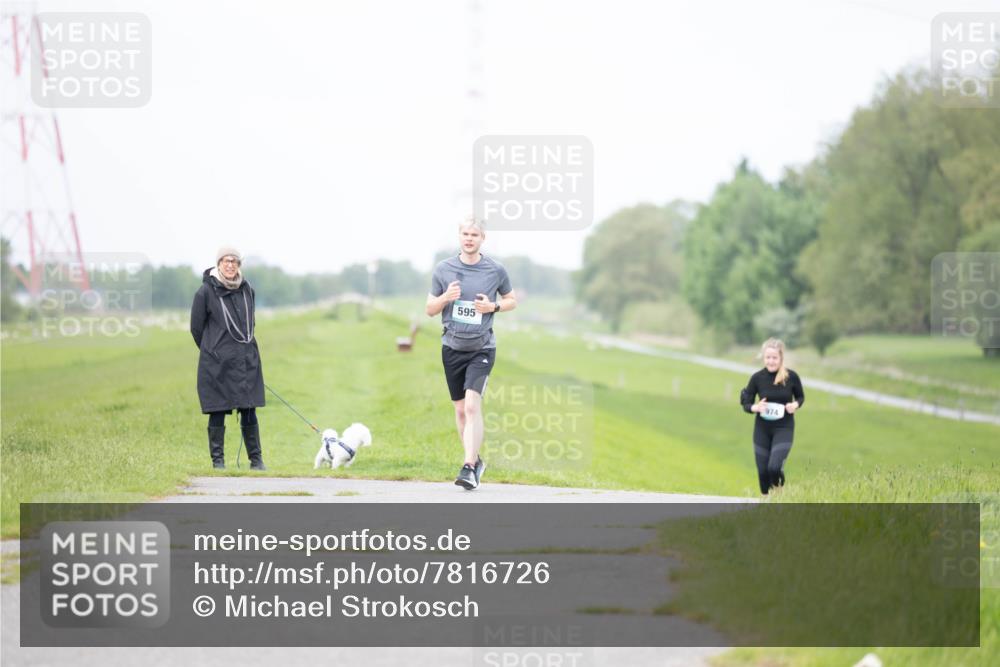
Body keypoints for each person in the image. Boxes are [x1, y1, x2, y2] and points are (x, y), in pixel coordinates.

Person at [426, 216, 517, 490]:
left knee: (471, 406)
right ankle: (476, 461)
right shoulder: (444, 269)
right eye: (465, 234)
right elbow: (430, 309)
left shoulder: (495, 270)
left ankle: (467, 466)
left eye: (474, 235)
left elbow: (511, 300)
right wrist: (445, 298)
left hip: (482, 348)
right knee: (460, 411)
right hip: (452, 347)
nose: (469, 238)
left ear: (482, 239)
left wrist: (493, 307)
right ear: (459, 236)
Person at [190, 247, 266, 470]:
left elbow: (250, 322)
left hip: (245, 359)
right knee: (217, 410)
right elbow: (196, 329)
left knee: (249, 409)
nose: (230, 265)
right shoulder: (205, 292)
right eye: (226, 261)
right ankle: (218, 462)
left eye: (234, 261)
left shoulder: (247, 289)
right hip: (217, 362)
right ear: (218, 264)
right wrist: (213, 349)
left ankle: (257, 460)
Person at [740, 338, 804, 495]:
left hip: (784, 428)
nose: (771, 361)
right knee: (763, 471)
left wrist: (794, 405)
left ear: (781, 358)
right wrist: (755, 407)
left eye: (774, 357)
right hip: (762, 429)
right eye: (768, 357)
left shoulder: (791, 377)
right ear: (764, 358)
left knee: (774, 467)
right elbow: (746, 402)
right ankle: (766, 501)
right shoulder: (757, 378)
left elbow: (800, 397)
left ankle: (779, 496)